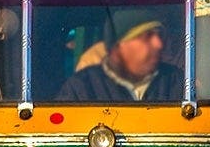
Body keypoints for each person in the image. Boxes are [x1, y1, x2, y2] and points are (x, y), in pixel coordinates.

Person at [55, 10, 185, 102]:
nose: (158, 44)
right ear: (118, 46)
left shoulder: (176, 81)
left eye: (159, 36)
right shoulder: (81, 86)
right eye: (146, 37)